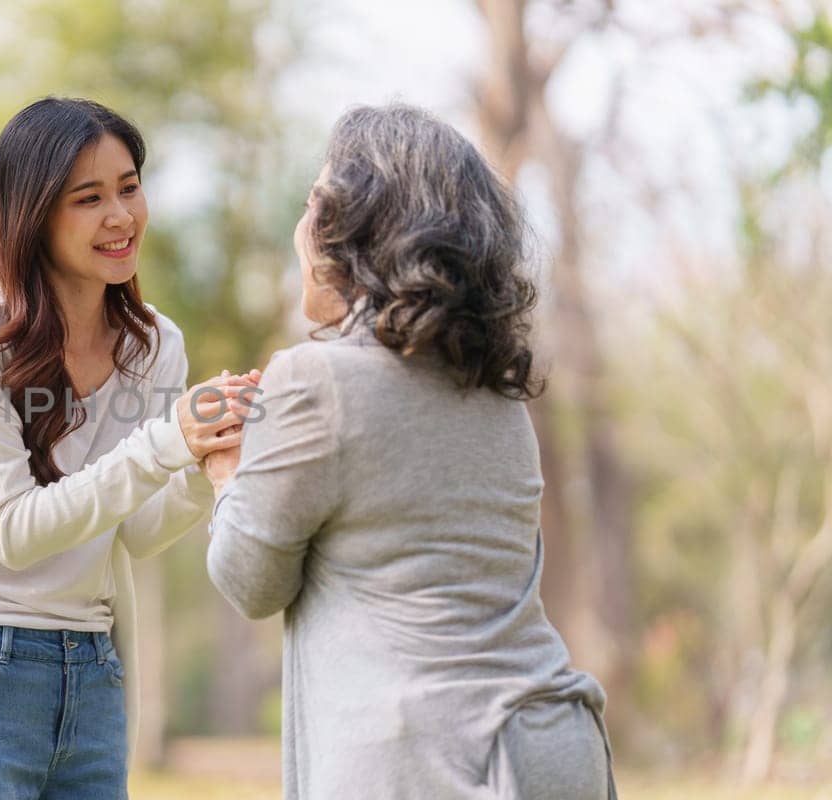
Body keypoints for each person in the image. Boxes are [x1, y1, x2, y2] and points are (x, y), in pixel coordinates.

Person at [204, 103, 617, 799]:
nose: (300, 230)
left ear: (353, 229)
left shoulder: (315, 380)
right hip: (554, 746)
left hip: (425, 762)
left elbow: (252, 581)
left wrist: (224, 468)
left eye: (313, 204)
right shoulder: (496, 392)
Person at [0, 96, 256, 800]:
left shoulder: (154, 345)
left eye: (130, 187)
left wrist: (202, 457)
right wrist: (167, 442)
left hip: (93, 672)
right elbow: (13, 532)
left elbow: (134, 531)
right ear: (35, 214)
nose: (121, 216)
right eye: (89, 198)